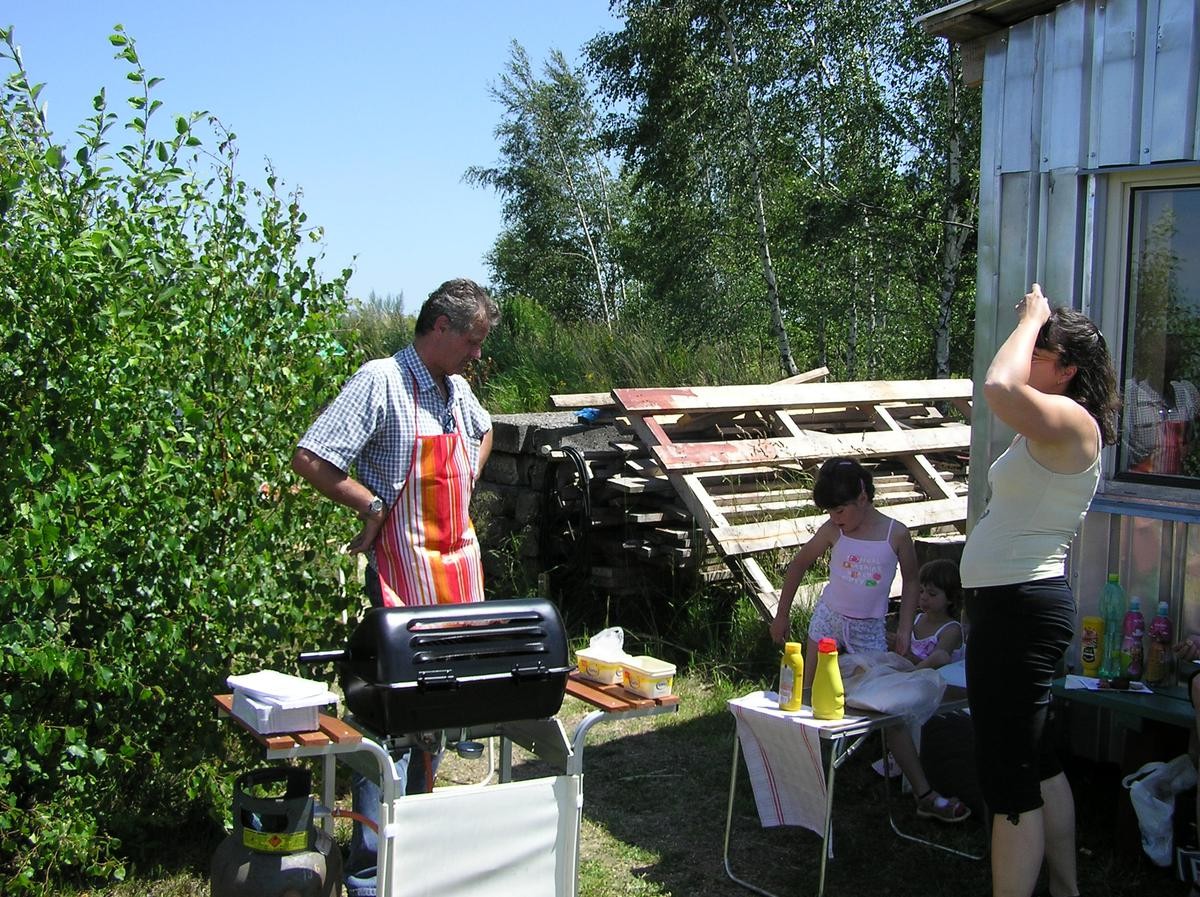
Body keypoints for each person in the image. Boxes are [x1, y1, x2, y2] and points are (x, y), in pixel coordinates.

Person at [291, 277, 499, 897]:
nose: (477, 354)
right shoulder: (381, 380)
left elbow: (485, 430)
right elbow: (312, 457)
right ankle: (370, 872)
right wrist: (371, 506)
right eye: (472, 341)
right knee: (389, 721)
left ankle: (418, 857)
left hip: (456, 575)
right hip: (400, 578)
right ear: (439, 327)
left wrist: (467, 481)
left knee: (441, 712)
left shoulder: (457, 389)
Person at [959, 283, 1119, 897]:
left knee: (1010, 779)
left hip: (1020, 608)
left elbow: (998, 386)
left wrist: (1031, 319)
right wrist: (1033, 332)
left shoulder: (1073, 422)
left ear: (1068, 369)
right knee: (1038, 761)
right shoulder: (1051, 424)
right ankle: (1066, 889)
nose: (1027, 359)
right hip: (1013, 605)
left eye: (1040, 354)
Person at [770, 456, 971, 823]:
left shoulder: (895, 534)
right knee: (808, 696)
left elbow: (911, 580)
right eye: (830, 512)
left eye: (840, 510)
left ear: (863, 497)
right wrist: (781, 615)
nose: (835, 517)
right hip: (829, 619)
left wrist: (905, 627)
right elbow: (798, 564)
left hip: (868, 630)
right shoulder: (834, 530)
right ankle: (795, 780)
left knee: (886, 709)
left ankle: (924, 794)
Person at [903, 559, 966, 670]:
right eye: (921, 591)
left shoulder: (952, 630)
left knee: (939, 656)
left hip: (937, 678)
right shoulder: (916, 619)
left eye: (932, 594)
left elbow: (936, 664)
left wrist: (910, 659)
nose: (923, 597)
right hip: (912, 673)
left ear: (950, 598)